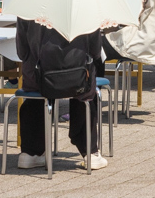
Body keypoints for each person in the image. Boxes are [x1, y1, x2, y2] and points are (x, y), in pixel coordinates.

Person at [15, 18, 107, 171]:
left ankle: (30, 153)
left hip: (39, 75)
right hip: (77, 75)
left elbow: (22, 52)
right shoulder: (85, 4)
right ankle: (90, 152)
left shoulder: (29, 2)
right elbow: (96, 51)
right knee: (85, 95)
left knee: (34, 96)